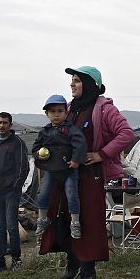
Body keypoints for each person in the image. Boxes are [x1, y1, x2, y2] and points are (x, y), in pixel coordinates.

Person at [58, 66, 133, 279]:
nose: (72, 84)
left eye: (77, 80)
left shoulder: (104, 109)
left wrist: (101, 154)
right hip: (67, 173)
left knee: (88, 222)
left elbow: (126, 134)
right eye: (72, 80)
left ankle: (88, 272)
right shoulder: (69, 109)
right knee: (64, 218)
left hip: (91, 175)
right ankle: (73, 259)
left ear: (90, 84)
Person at [33, 95, 87, 241]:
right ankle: (42, 219)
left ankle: (75, 222)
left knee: (72, 194)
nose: (56, 114)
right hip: (50, 170)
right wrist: (39, 154)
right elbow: (36, 148)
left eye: (59, 111)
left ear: (66, 113)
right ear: (47, 114)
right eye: (52, 111)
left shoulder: (71, 129)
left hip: (68, 169)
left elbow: (80, 144)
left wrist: (76, 160)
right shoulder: (44, 131)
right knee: (43, 194)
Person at [0, 112, 30, 273]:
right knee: (0, 228)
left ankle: (16, 260)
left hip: (10, 192)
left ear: (10, 125)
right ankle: (0, 260)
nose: (2, 126)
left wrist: (15, 188)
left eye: (5, 123)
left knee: (11, 226)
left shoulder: (17, 143)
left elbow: (23, 168)